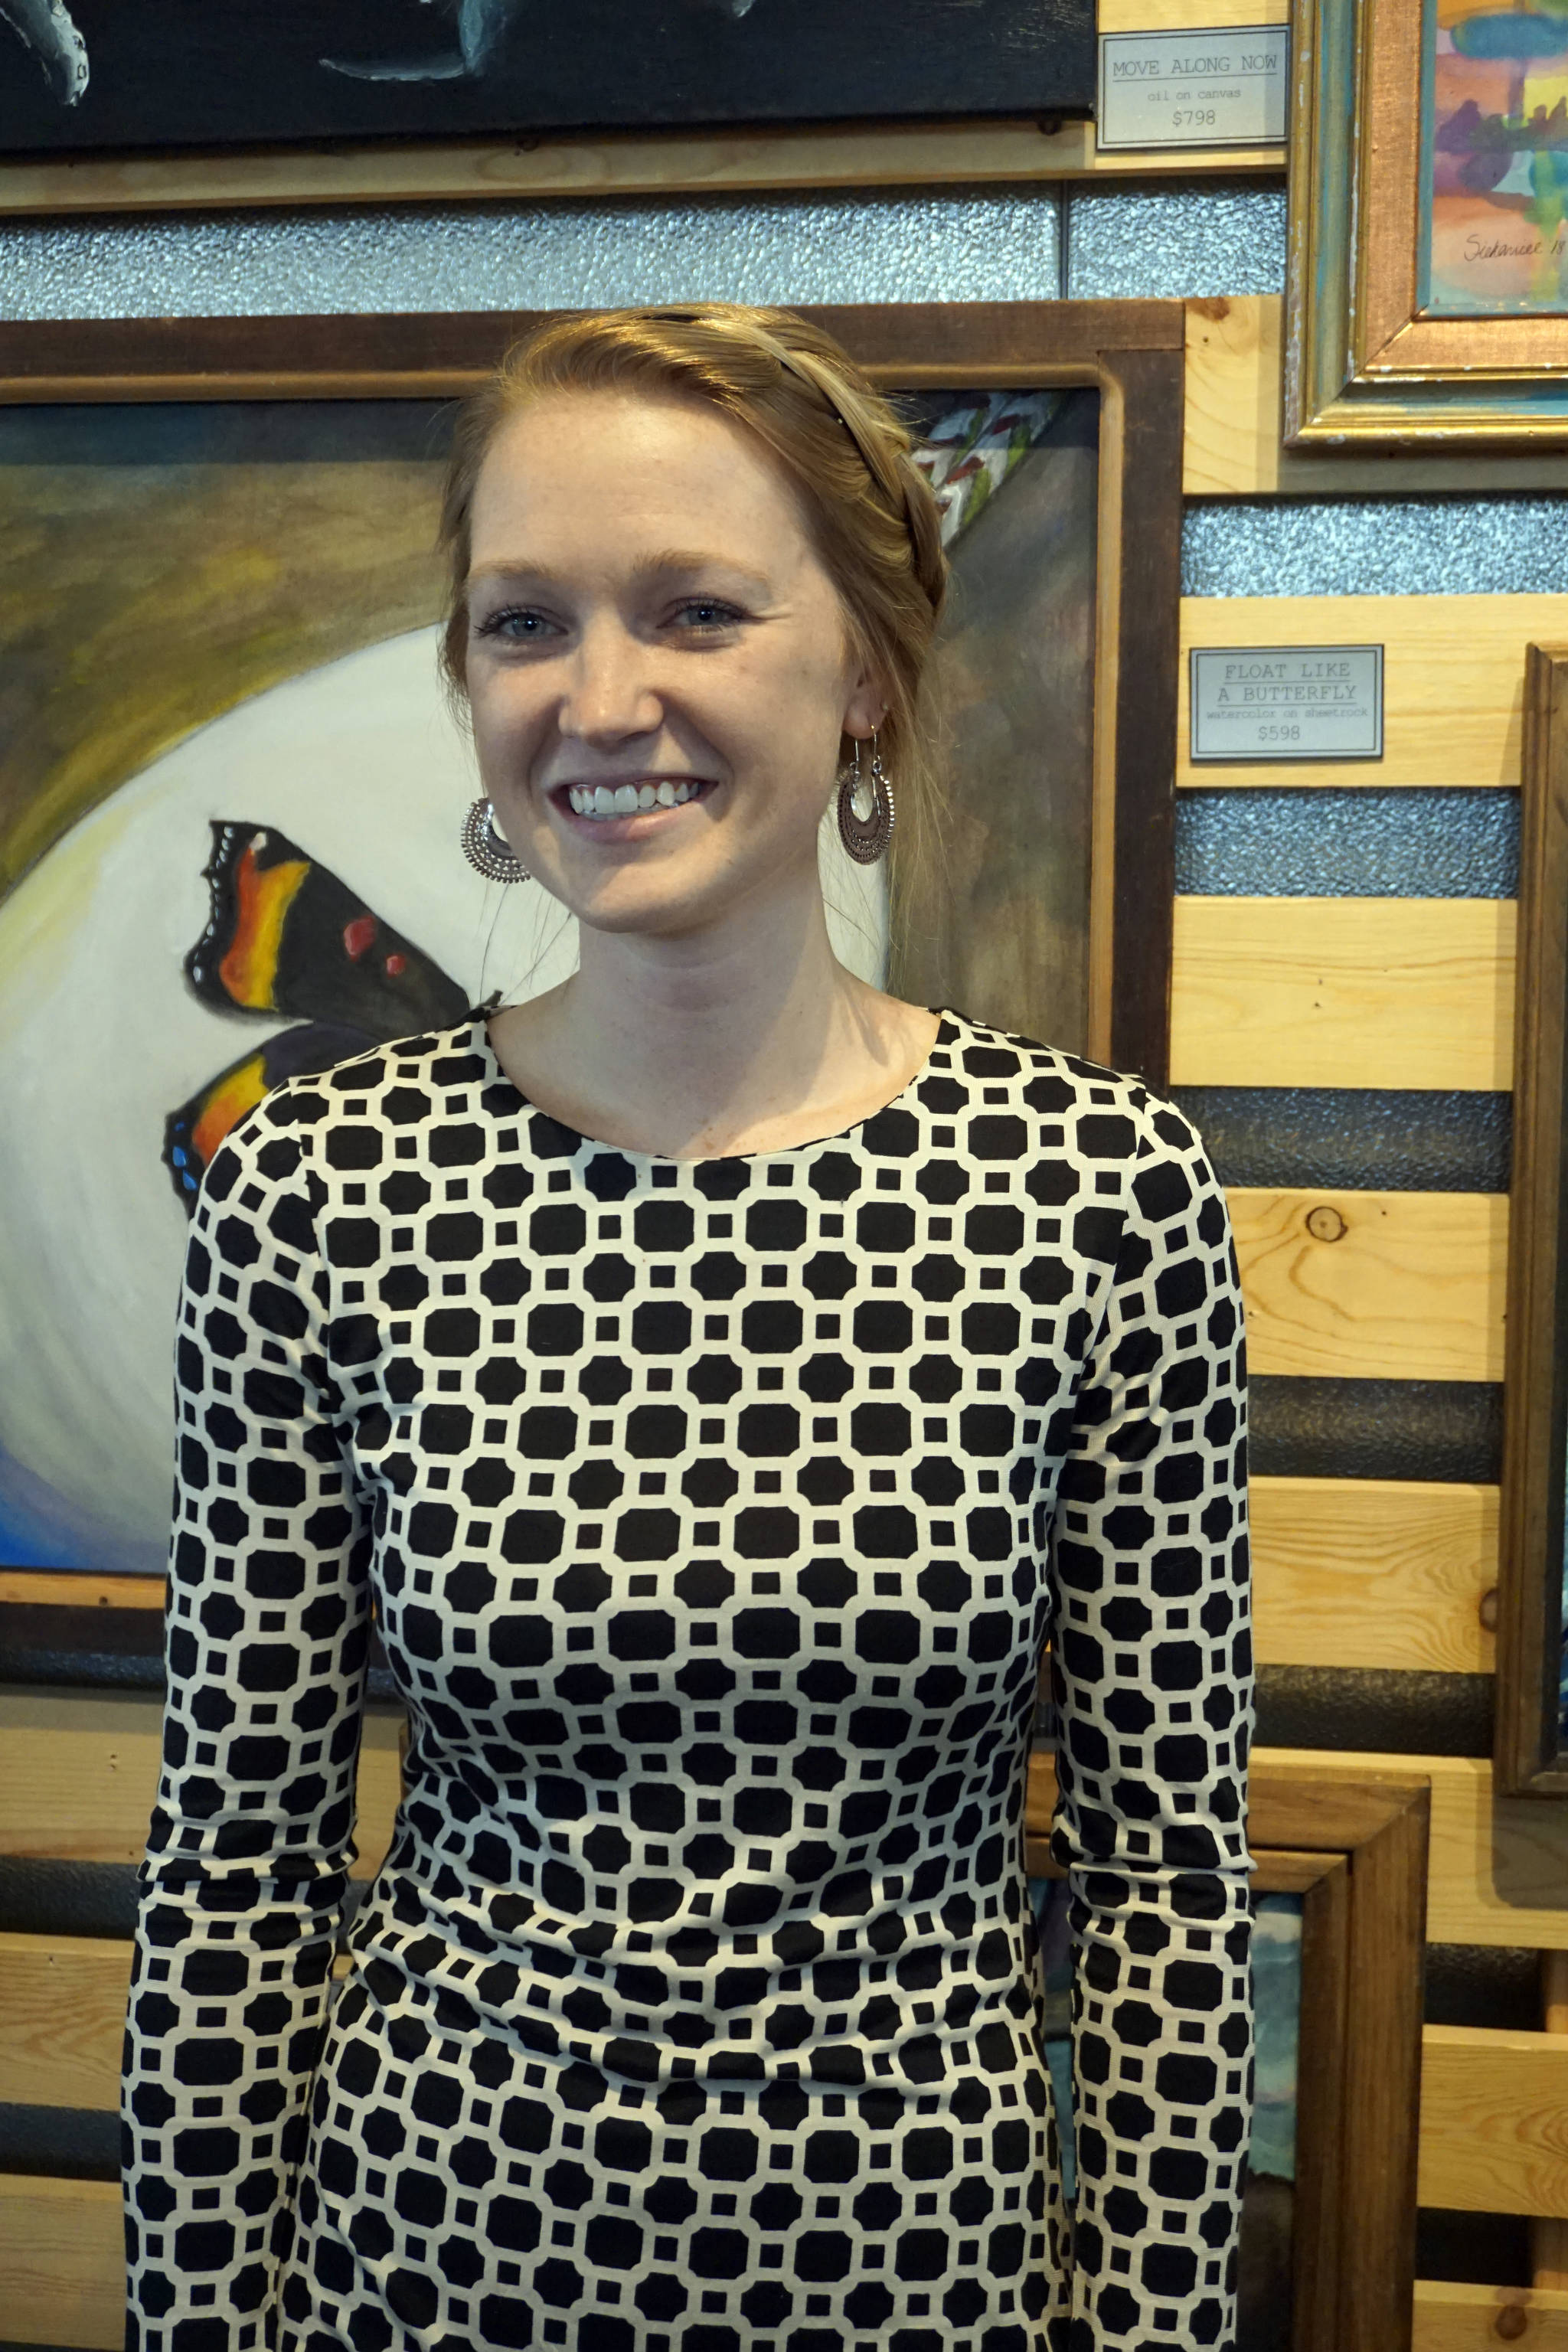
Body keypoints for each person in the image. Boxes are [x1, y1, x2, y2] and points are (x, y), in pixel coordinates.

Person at [122, 302, 1254, 2352]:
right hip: (436, 2274)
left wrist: (1152, 2332)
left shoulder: (1098, 1198)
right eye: (525, 620)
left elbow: (1169, 1897)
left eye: (699, 611)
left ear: (872, 680)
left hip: (921, 2284)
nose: (600, 695)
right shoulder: (320, 1194)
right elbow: (236, 1875)